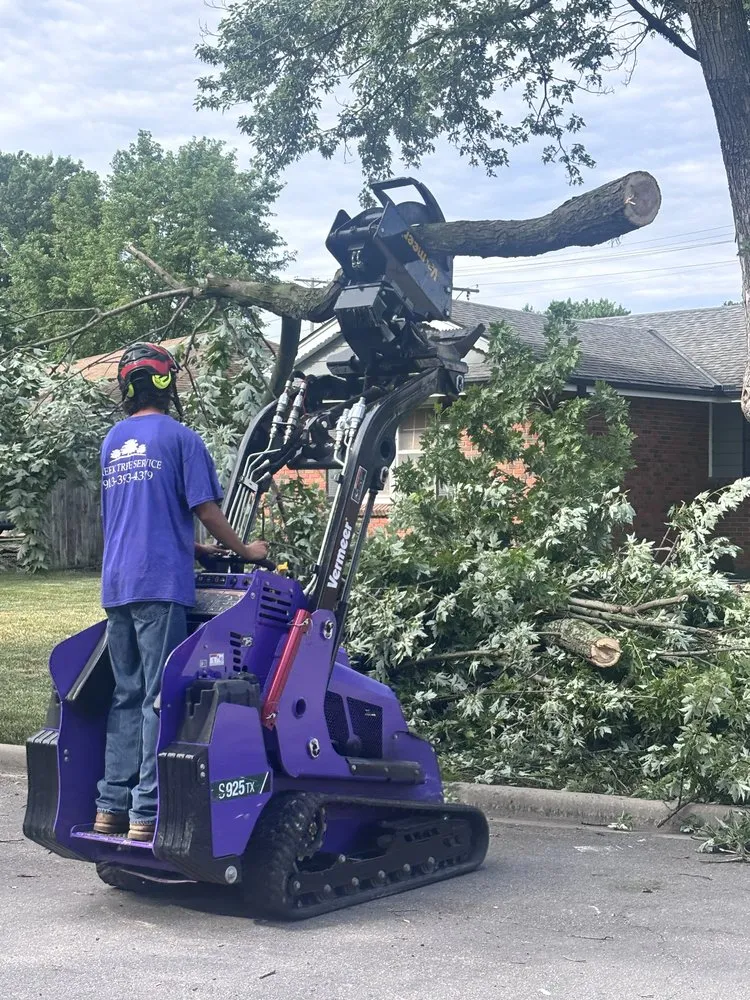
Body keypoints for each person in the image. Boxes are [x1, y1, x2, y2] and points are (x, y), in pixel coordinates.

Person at [93, 342, 268, 842]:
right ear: (167, 383)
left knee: (126, 695)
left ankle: (111, 806)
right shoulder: (180, 439)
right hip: (160, 586)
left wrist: (196, 550)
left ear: (128, 387)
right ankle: (146, 812)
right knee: (156, 697)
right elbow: (207, 508)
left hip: (119, 584)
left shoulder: (112, 441)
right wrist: (243, 549)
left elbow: (133, 519)